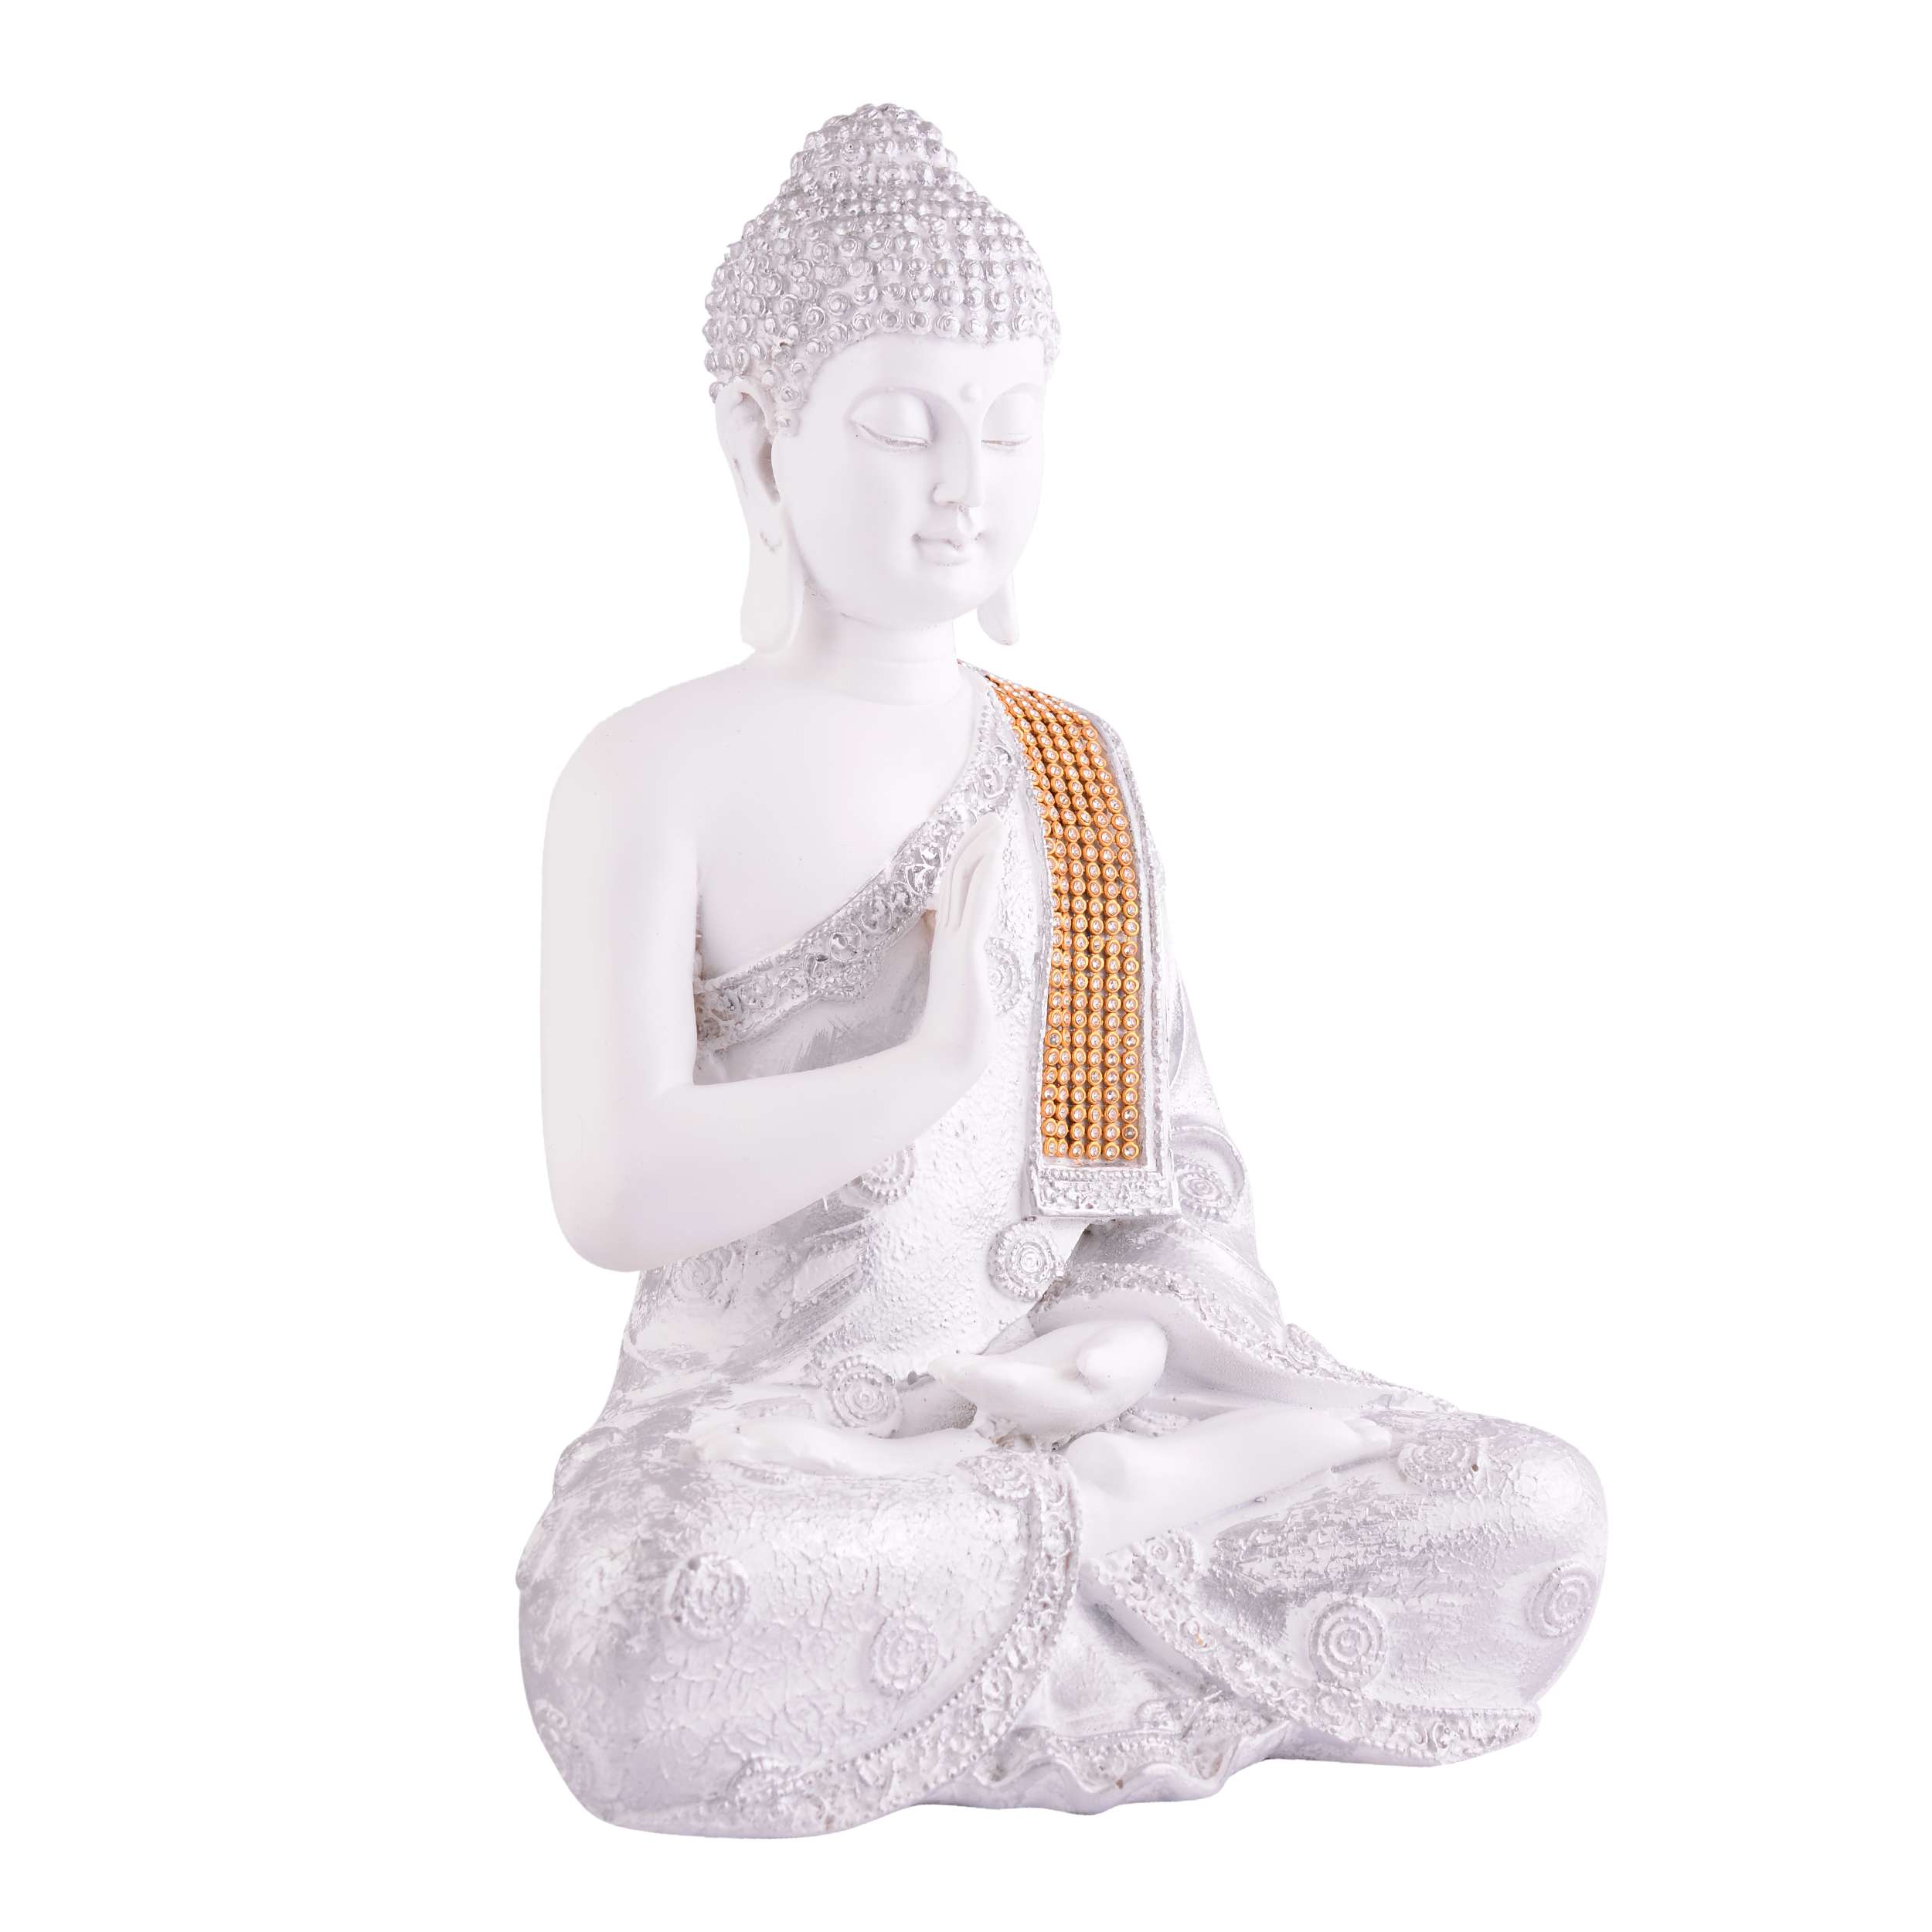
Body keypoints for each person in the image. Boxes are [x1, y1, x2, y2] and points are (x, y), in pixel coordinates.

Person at [518, 104, 1604, 1837]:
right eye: (900, 424)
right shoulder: (647, 771)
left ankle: (1075, 1527)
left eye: (1010, 425)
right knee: (648, 1613)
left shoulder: (1070, 774)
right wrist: (924, 1066)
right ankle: (1109, 1542)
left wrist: (1117, 1345)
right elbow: (612, 1190)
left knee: (1529, 1506)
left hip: (1055, 1405)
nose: (965, 481)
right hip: (779, 1442)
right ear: (756, 442)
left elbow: (1170, 1194)